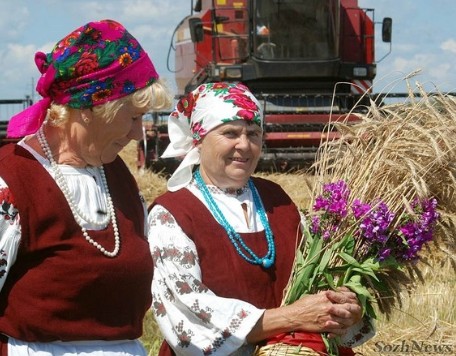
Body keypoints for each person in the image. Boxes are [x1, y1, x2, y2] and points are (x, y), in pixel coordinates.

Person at [147, 82, 375, 355]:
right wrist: (291, 317)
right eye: (230, 133)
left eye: (253, 134)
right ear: (199, 140)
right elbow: (190, 311)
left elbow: (316, 278)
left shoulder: (275, 198)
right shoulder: (173, 213)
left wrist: (341, 307)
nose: (244, 145)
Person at [0, 19, 172, 355]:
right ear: (92, 108)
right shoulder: (12, 179)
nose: (139, 134)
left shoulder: (116, 174)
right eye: (133, 117)